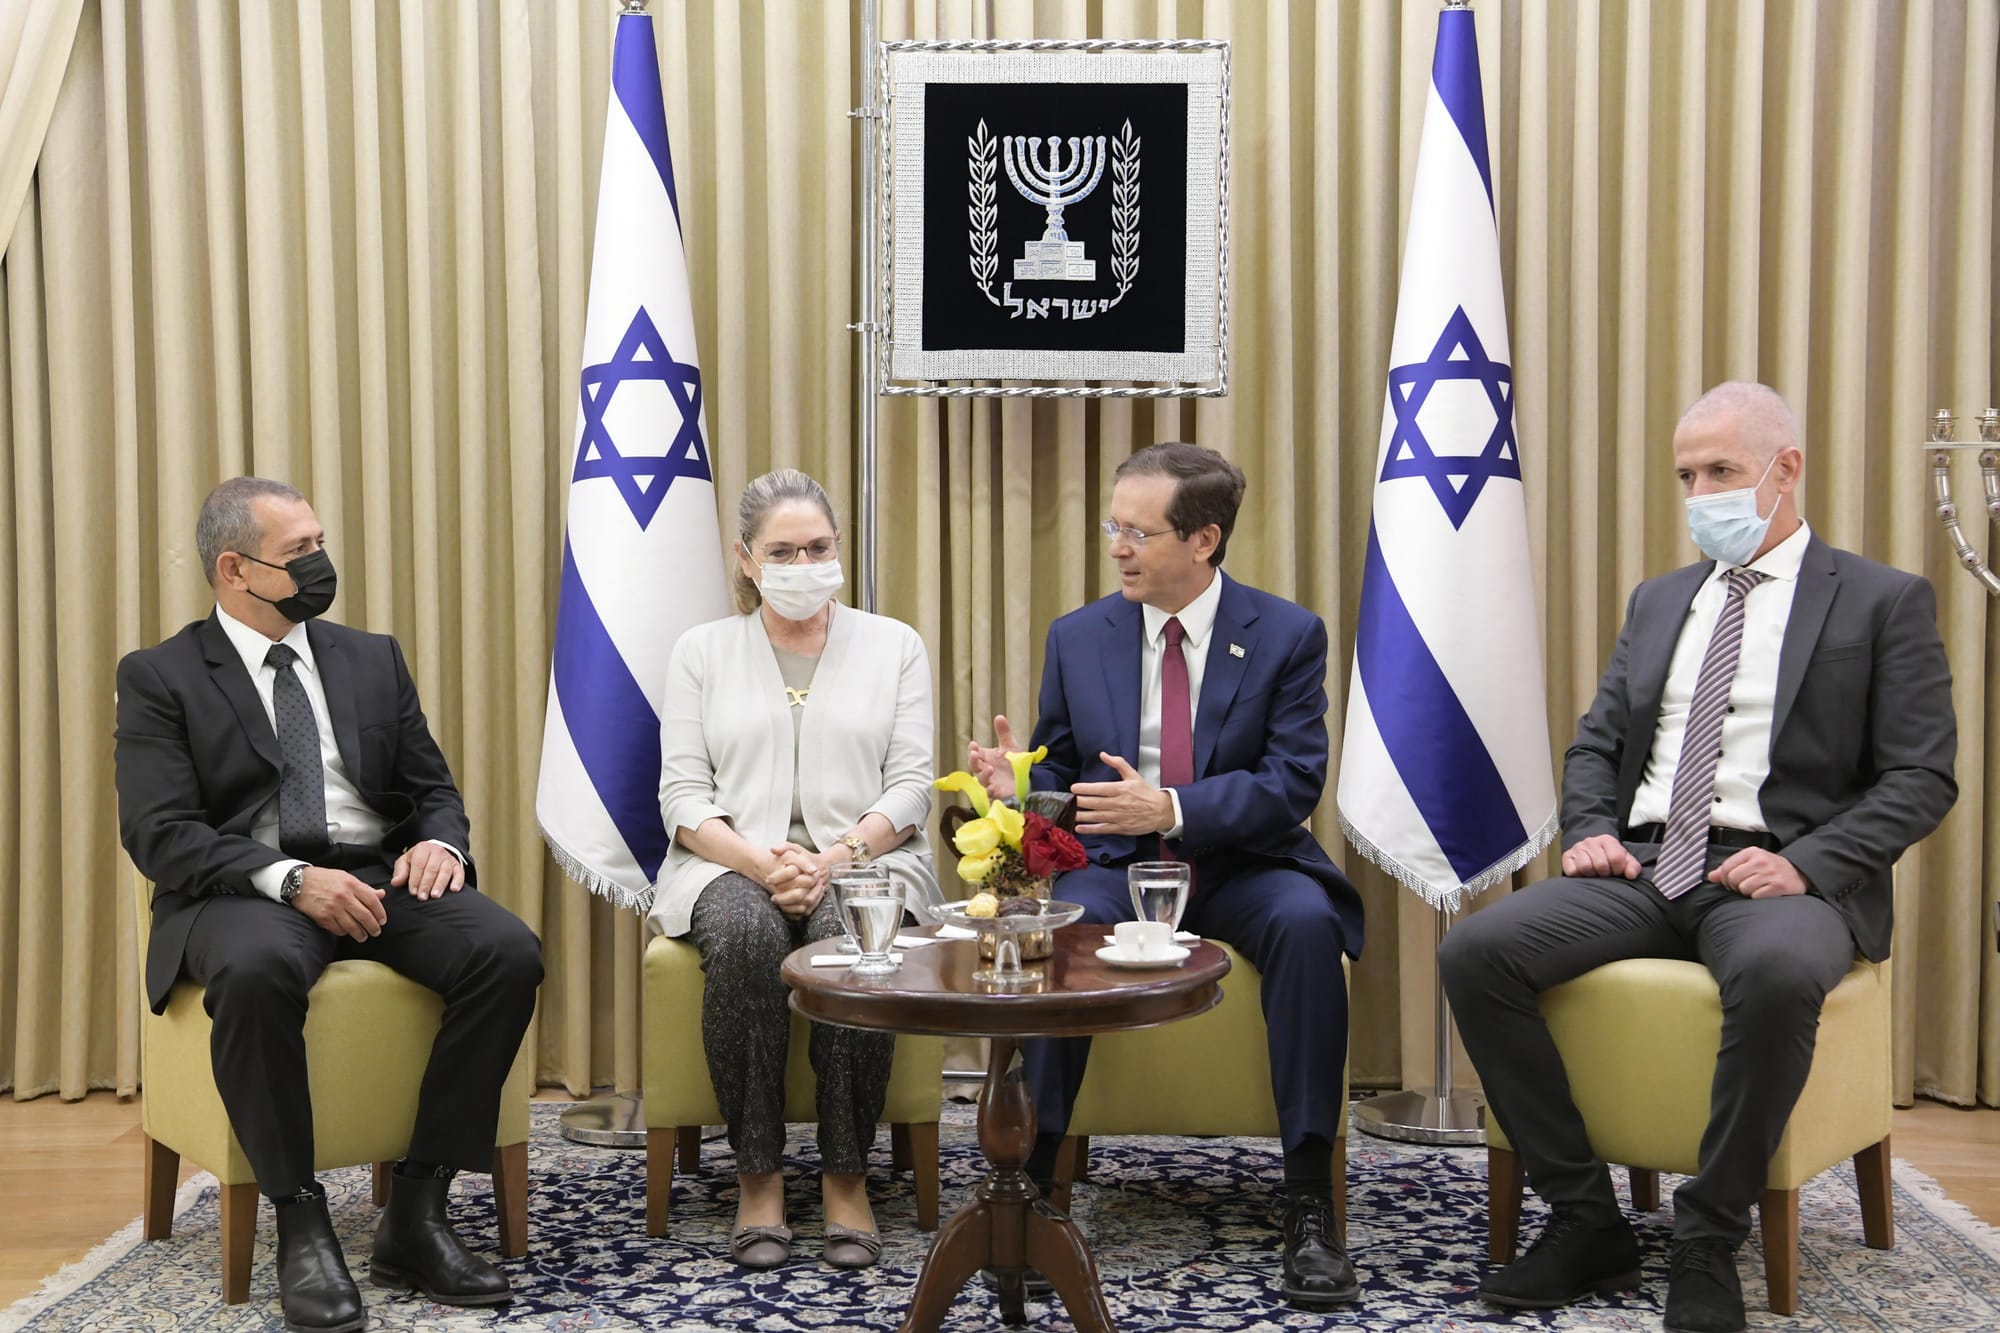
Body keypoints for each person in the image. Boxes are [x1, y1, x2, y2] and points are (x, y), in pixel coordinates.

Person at [1439, 382, 1957, 1333]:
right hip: (1643, 865)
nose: (1700, 493)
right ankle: (1587, 1216)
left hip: (1777, 873)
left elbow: (1922, 777)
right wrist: (1590, 826)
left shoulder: (1882, 600)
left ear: (1784, 468)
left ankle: (1709, 1234)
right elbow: (1597, 743)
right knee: (1478, 951)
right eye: (1686, 475)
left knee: (1773, 972)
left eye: (1720, 470)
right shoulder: (1660, 599)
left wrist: (1806, 863)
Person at [114, 477, 544, 1333]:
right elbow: (160, 833)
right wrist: (290, 879)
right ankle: (301, 1223)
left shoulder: (370, 656)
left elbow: (433, 790)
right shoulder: (161, 675)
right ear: (234, 569)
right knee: (259, 966)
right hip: (247, 886)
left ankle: (416, 1214)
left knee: (507, 950)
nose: (321, 562)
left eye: (319, 541)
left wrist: (439, 844)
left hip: (378, 875)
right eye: (299, 551)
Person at [968, 442, 1366, 1310]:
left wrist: (1174, 809)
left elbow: (1293, 780)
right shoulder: (1078, 636)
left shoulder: (1287, 634)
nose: (1117, 547)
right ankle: (1032, 1183)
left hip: (1243, 863)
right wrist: (1021, 786)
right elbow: (1060, 777)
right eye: (1114, 526)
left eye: (1137, 532)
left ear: (1204, 540)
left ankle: (1308, 1198)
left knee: (1306, 924)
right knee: (1060, 931)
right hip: (1116, 866)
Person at [651, 468, 939, 1271]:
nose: (803, 561)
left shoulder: (895, 644)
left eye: (818, 546)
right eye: (783, 550)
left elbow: (913, 784)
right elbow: (681, 792)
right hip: (731, 861)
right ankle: (760, 1175)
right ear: (746, 559)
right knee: (746, 936)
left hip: (867, 859)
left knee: (849, 934)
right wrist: (762, 860)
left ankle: (848, 1176)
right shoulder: (702, 651)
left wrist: (834, 858)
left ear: (838, 547)